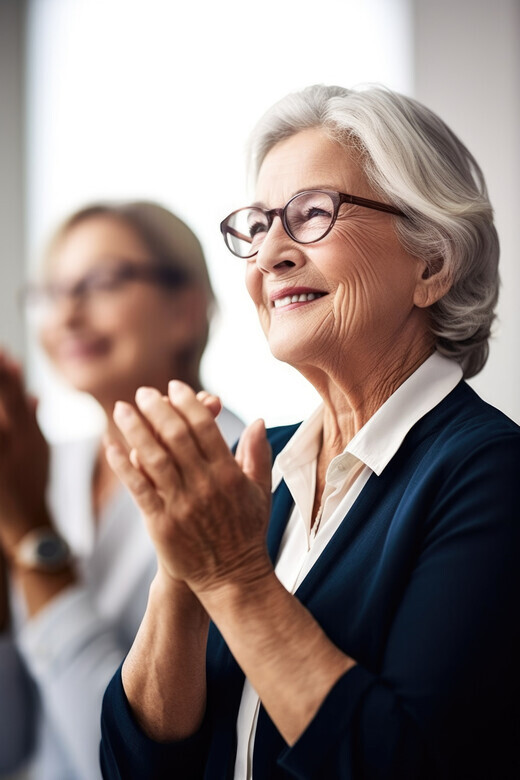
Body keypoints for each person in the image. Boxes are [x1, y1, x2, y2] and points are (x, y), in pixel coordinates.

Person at [99, 86, 520, 780]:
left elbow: (401, 765)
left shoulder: (490, 474)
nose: (270, 255)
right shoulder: (251, 470)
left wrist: (232, 575)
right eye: (258, 226)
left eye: (313, 214)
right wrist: (182, 565)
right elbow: (134, 764)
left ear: (432, 263)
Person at [0, 201, 244, 780]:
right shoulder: (46, 469)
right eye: (51, 293)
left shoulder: (242, 479)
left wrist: (34, 538)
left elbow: (122, 763)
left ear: (186, 309)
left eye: (103, 282)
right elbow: (13, 745)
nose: (68, 314)